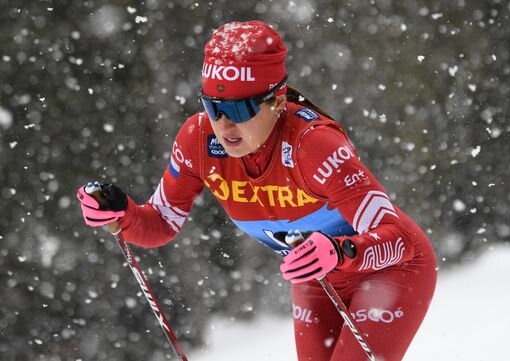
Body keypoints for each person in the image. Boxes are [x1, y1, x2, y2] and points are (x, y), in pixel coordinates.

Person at [76, 20, 437, 361]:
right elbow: (159, 224)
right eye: (212, 106)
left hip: (389, 270)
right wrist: (120, 212)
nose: (224, 124)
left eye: (240, 108)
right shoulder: (198, 140)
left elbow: (400, 239)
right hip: (317, 276)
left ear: (278, 101)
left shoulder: (312, 144)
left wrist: (342, 251)